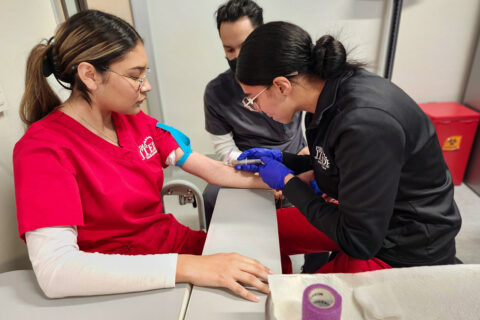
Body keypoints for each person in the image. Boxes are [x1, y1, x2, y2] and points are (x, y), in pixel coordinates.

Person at [14, 10, 272, 303]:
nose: (146, 86)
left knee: (270, 262)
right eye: (135, 76)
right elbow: (56, 271)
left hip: (173, 245)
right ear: (89, 75)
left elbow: (212, 169)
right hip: (127, 275)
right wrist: (189, 266)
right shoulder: (42, 149)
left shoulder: (134, 121)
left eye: (144, 75)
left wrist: (286, 180)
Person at [234, 21, 462, 269]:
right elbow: (344, 162)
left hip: (402, 245)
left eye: (253, 100)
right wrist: (288, 160)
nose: (256, 109)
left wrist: (289, 183)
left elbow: (359, 241)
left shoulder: (364, 122)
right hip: (364, 217)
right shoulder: (323, 100)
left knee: (308, 301)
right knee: (262, 233)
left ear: (281, 86)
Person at [202, 0, 308, 228]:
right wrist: (257, 171)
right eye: (229, 50)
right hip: (248, 164)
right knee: (211, 197)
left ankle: (314, 264)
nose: (238, 57)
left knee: (319, 196)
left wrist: (296, 170)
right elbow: (225, 150)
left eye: (245, 45)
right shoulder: (217, 92)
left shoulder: (292, 77)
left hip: (298, 158)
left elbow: (318, 134)